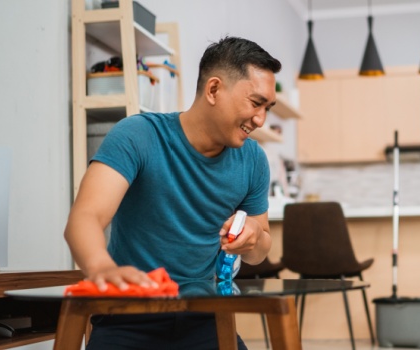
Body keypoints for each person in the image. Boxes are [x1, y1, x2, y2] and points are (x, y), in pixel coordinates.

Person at [63, 36, 281, 349]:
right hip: (126, 318)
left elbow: (261, 250)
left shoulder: (253, 160)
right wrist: (102, 269)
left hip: (205, 320)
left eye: (267, 108)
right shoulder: (138, 135)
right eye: (255, 103)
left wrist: (254, 237)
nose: (260, 119)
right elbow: (84, 218)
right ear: (214, 89)